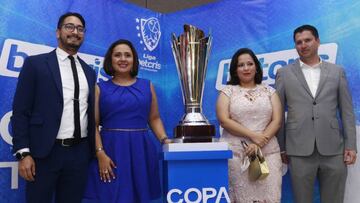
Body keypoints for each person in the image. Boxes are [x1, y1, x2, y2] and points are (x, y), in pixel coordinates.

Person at [11, 12, 96, 202]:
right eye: (69, 27)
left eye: (80, 29)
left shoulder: (90, 72)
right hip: (44, 153)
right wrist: (23, 153)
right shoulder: (35, 64)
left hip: (79, 154)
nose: (75, 32)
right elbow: (21, 111)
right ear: (58, 32)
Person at [275, 24, 357, 203]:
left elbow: (347, 111)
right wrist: (281, 147)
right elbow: (278, 114)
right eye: (299, 42)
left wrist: (351, 145)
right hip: (298, 150)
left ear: (317, 41)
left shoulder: (337, 72)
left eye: (307, 40)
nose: (303, 45)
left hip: (334, 149)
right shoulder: (284, 73)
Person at [83, 39, 170, 203]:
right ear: (110, 60)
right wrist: (100, 153)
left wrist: (165, 140)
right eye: (117, 55)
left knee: (140, 197)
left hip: (141, 150)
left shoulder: (147, 86)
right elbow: (92, 125)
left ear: (134, 60)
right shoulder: (99, 88)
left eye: (127, 55)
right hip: (111, 152)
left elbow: (154, 118)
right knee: (112, 196)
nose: (123, 59)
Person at [216, 48, 282, 202]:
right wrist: (254, 137)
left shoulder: (269, 91)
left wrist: (261, 140)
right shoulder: (227, 92)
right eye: (241, 65)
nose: (246, 68)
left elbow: (277, 120)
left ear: (256, 67)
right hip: (237, 155)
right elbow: (224, 120)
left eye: (250, 64)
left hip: (268, 153)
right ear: (234, 69)